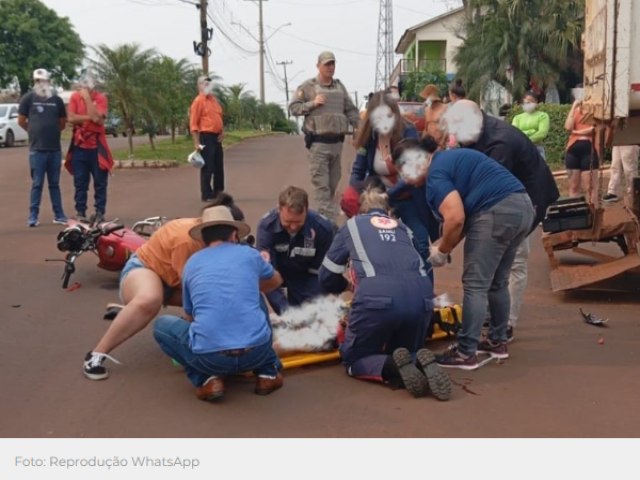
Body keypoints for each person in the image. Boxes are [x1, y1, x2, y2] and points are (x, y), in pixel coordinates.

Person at [393, 137, 534, 369]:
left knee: (475, 284)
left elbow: (456, 218)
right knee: (497, 282)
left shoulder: (436, 175)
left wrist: (442, 250)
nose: (404, 180)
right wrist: (442, 245)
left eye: (403, 171)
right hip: (522, 208)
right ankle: (497, 342)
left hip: (496, 211)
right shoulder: (449, 160)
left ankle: (466, 351)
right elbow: (461, 223)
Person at [83, 194, 245, 380]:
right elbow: (191, 287)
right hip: (145, 270)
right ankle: (96, 355)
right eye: (234, 234)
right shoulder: (186, 239)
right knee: (150, 300)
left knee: (217, 298)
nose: (236, 239)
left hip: (171, 282)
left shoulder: (221, 240)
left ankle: (133, 313)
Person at [440, 99, 559, 342]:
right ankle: (490, 318)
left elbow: (487, 194)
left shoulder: (500, 142)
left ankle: (506, 325)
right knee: (492, 261)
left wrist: (450, 236)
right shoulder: (474, 134)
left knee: (513, 260)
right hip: (509, 197)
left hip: (528, 199)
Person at [318, 186, 452, 400]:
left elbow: (326, 275)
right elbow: (423, 265)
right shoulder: (403, 228)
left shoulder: (352, 226)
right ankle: (417, 358)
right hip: (421, 298)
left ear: (361, 211)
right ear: (388, 212)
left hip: (377, 298)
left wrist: (345, 288)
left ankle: (392, 366)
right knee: (403, 348)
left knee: (354, 358)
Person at [153, 206, 284, 401]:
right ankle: (268, 373)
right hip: (257, 352)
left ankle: (207, 379)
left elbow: (190, 316)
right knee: (256, 296)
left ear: (203, 238)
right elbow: (276, 281)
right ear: (234, 234)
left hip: (211, 358)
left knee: (161, 326)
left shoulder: (191, 263)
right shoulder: (249, 254)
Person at [342, 91, 435, 264]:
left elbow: (411, 173)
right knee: (374, 245)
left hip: (408, 196)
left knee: (420, 243)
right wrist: (354, 195)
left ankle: (424, 288)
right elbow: (358, 170)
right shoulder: (368, 137)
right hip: (379, 198)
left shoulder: (409, 132)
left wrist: (388, 196)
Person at [288, 51, 360, 221]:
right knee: (322, 188)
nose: (330, 67)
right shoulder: (308, 87)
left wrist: (362, 129)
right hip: (318, 145)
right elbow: (294, 108)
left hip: (337, 145)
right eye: (327, 64)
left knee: (333, 186)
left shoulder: (340, 87)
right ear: (318, 65)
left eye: (332, 64)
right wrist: (313, 103)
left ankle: (327, 221)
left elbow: (350, 110)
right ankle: (328, 226)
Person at [256, 186, 335, 315]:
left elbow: (319, 274)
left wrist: (307, 309)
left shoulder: (322, 228)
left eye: (298, 222)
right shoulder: (267, 227)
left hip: (306, 274)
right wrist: (286, 312)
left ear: (306, 210)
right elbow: (267, 275)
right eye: (288, 221)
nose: (293, 227)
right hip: (276, 272)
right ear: (279, 210)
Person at [18, 68, 68, 227]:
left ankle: (59, 215)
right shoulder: (28, 98)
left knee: (54, 184)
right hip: (37, 150)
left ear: (48, 82)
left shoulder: (56, 100)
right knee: (37, 184)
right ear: (35, 82)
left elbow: (62, 122)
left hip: (54, 149)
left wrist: (51, 131)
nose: (41, 84)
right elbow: (21, 121)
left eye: (44, 81)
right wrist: (33, 132)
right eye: (38, 81)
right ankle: (33, 216)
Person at [65, 70, 113, 224]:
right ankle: (80, 211)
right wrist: (89, 117)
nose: (85, 85)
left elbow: (98, 120)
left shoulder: (101, 98)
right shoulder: (74, 97)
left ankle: (99, 212)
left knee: (100, 182)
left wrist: (86, 100)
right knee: (80, 182)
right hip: (80, 146)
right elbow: (71, 118)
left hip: (97, 148)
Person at [190, 75, 225, 202]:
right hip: (206, 137)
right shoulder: (198, 101)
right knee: (208, 167)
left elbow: (219, 116)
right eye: (205, 84)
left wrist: (222, 131)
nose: (207, 86)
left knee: (218, 166)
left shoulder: (213, 100)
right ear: (199, 85)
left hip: (217, 137)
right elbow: (193, 123)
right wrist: (196, 142)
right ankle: (206, 194)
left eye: (209, 84)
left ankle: (219, 191)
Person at [564, 98, 599, 203]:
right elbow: (568, 127)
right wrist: (573, 107)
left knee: (590, 187)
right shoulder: (575, 112)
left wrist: (577, 132)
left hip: (589, 150)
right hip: (572, 150)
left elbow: (594, 128)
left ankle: (593, 214)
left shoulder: (595, 112)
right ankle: (574, 212)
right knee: (574, 187)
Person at [512, 91, 550, 159]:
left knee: (539, 169)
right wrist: (532, 131)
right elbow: (515, 133)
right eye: (525, 102)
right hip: (521, 149)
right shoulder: (517, 118)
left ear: (536, 102)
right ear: (522, 104)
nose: (528, 104)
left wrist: (526, 138)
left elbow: (542, 133)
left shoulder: (543, 116)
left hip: (537, 148)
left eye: (530, 102)